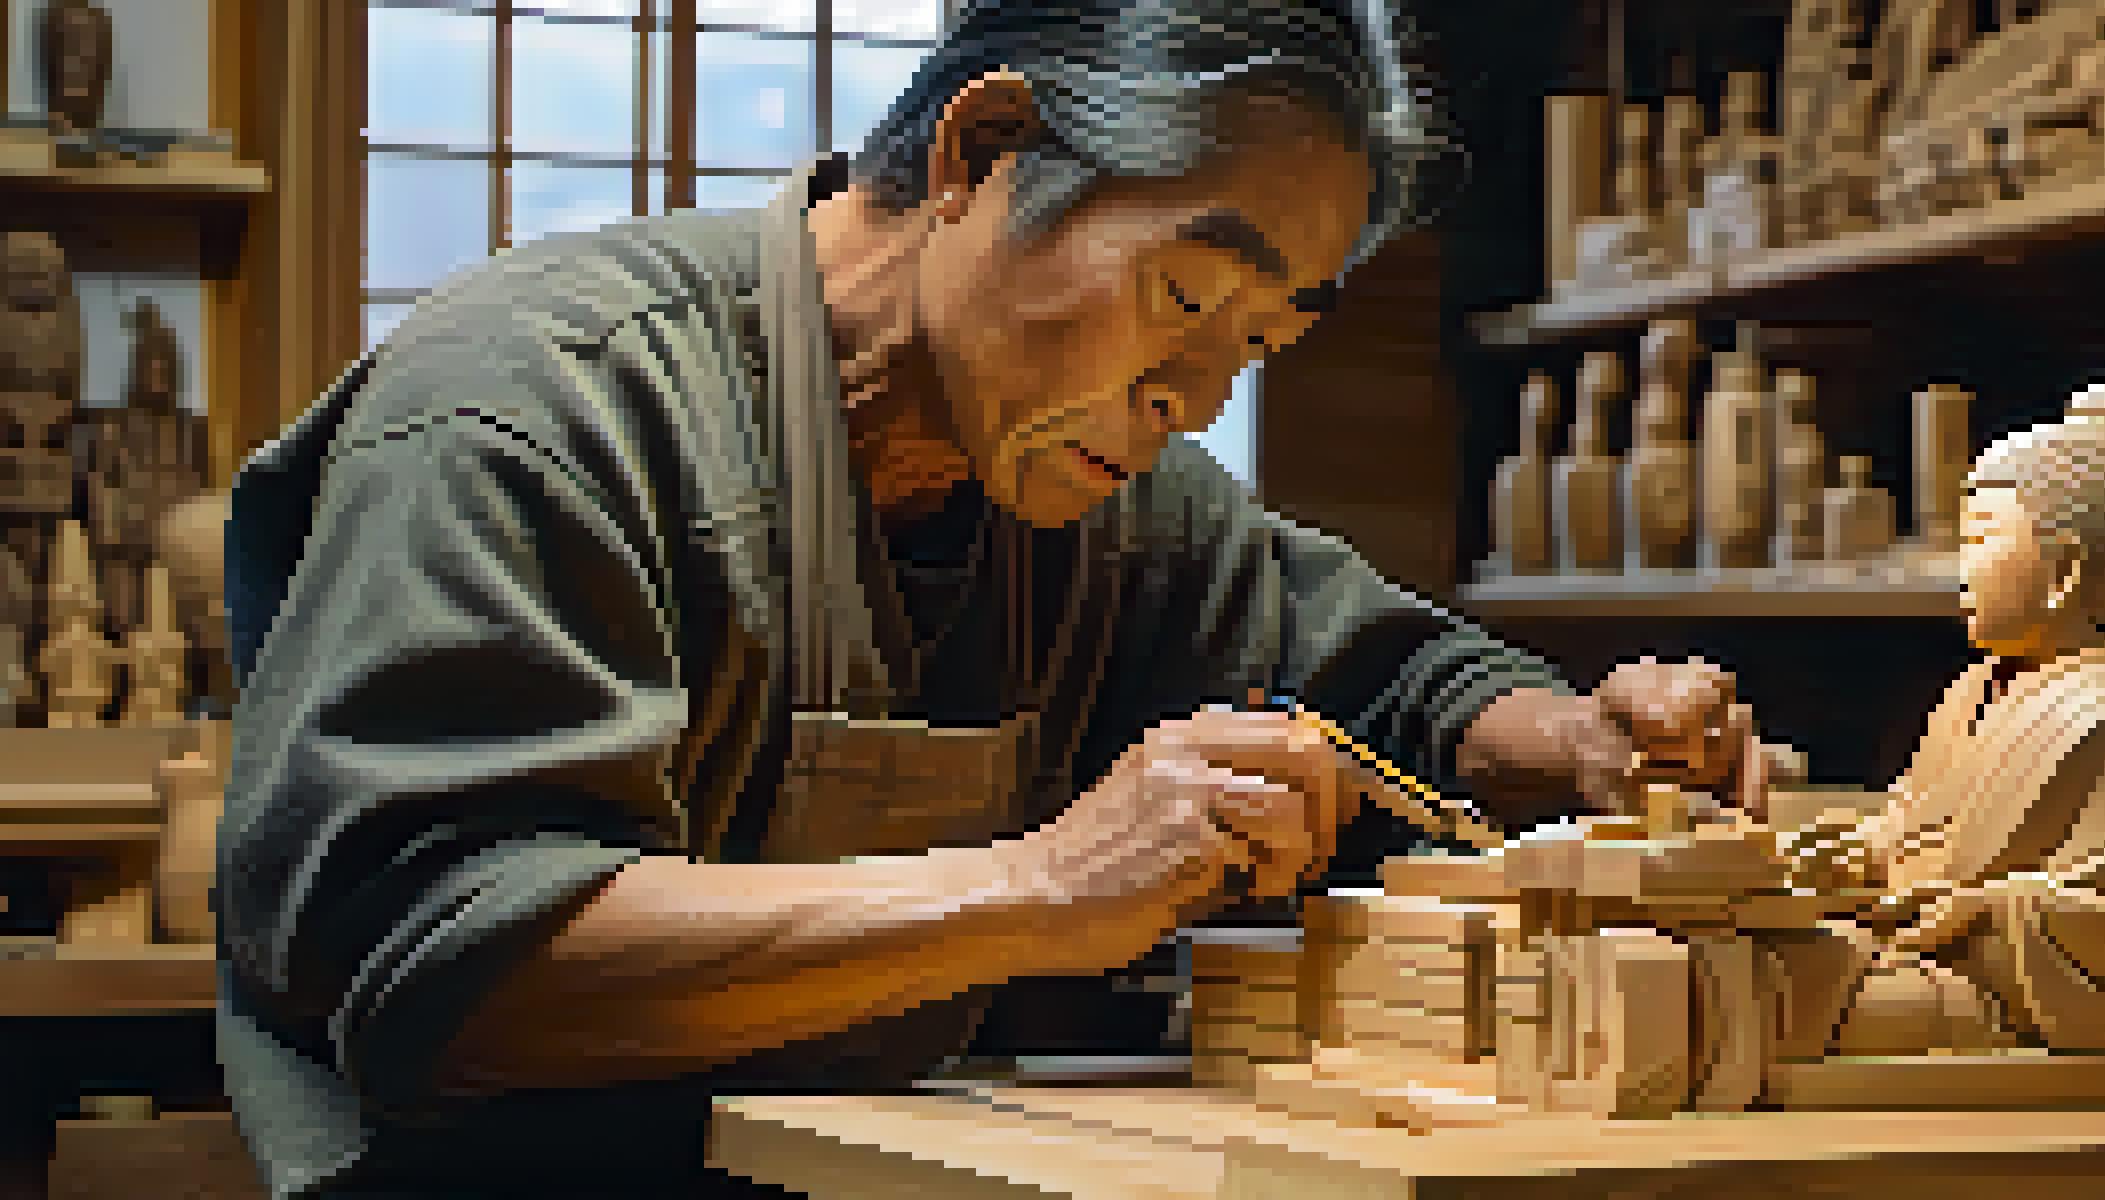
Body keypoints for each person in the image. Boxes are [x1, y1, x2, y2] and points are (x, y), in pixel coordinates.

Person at [219, 2, 1766, 1196]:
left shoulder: (1099, 483)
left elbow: (1379, 678)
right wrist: (1039, 888)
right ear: (978, 154)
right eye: (1181, 298)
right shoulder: (546, 403)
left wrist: (1568, 745)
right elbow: (449, 969)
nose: (1192, 399)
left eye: (1260, 346)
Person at [1766, 386, 2105, 1060]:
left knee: (1785, 995)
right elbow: (1914, 817)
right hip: (1909, 943)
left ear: (2066, 570)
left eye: (1980, 542)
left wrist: (1982, 909)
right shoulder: (1973, 691)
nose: (1959, 571)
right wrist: (1856, 851)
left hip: (2003, 986)